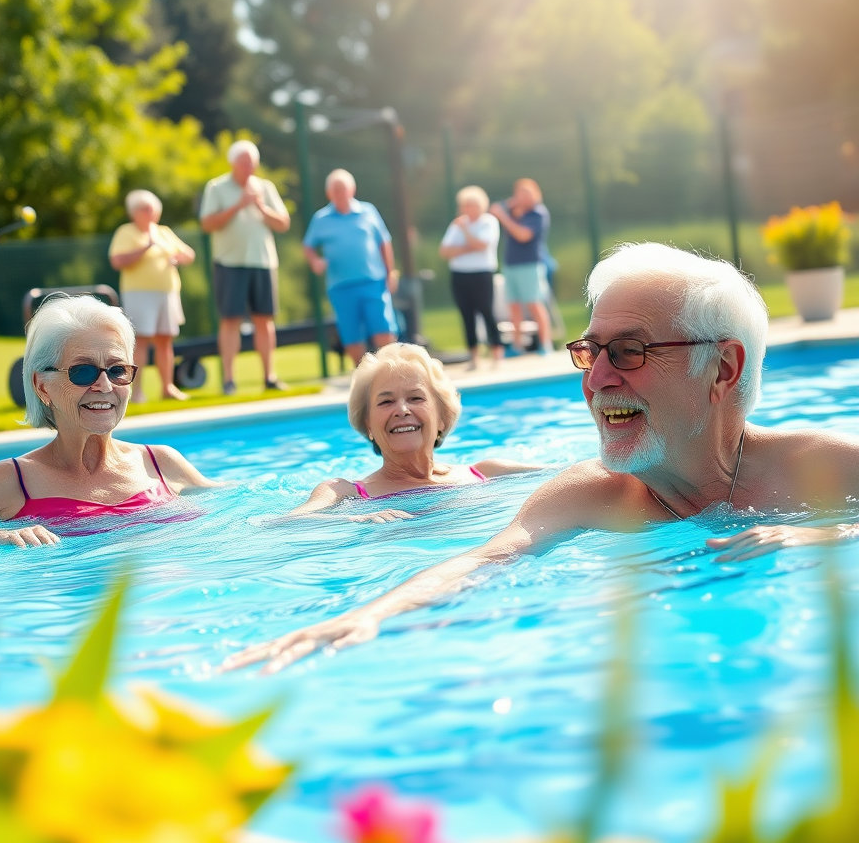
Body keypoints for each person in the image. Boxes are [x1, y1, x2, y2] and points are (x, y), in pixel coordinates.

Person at [225, 242, 859, 673]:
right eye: (591, 351)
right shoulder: (589, 495)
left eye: (631, 351)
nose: (598, 378)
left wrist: (828, 535)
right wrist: (371, 614)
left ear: (722, 367)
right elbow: (483, 560)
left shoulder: (820, 468)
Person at [0, 295, 219, 548]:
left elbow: (240, 504)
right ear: (42, 386)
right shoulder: (11, 480)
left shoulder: (160, 463)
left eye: (117, 370)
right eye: (82, 371)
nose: (105, 386)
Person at [283, 343, 537, 521]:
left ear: (441, 417)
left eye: (416, 398)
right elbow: (280, 524)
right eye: (385, 401)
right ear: (368, 423)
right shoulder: (345, 493)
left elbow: (570, 474)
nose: (402, 410)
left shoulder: (488, 473)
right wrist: (354, 519)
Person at [198, 140, 291, 395]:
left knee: (265, 320)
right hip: (229, 263)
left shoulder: (266, 187)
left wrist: (260, 206)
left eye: (252, 162)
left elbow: (283, 223)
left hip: (263, 261)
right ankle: (229, 380)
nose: (249, 167)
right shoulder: (216, 187)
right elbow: (207, 224)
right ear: (233, 163)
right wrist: (238, 205)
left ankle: (269, 377)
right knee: (230, 321)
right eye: (244, 162)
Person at [303, 169, 399, 366]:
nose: (340, 193)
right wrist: (315, 261)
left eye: (343, 188)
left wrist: (390, 273)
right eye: (335, 189)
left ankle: (391, 371)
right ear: (329, 193)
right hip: (341, 287)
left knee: (383, 330)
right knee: (351, 335)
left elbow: (384, 243)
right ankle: (363, 378)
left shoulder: (368, 211)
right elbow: (308, 246)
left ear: (352, 189)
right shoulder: (321, 219)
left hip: (373, 282)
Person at [108, 189, 196, 403]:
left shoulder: (163, 231)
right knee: (141, 341)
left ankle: (168, 387)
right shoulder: (126, 232)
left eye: (153, 208)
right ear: (135, 212)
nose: (152, 212)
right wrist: (145, 248)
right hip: (139, 293)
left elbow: (189, 255)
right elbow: (117, 261)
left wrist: (177, 257)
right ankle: (136, 392)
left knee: (165, 340)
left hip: (166, 293)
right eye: (146, 209)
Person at [439, 185, 504, 371]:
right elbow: (445, 251)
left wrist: (465, 237)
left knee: (486, 311)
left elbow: (482, 245)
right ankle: (474, 356)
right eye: (465, 205)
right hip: (460, 275)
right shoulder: (456, 224)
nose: (468, 209)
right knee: (466, 314)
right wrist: (469, 247)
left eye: (472, 204)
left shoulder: (488, 222)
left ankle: (497, 353)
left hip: (482, 274)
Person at [491, 178, 554, 355]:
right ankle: (516, 346)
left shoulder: (538, 214)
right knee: (514, 306)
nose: (522, 197)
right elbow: (495, 207)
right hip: (510, 265)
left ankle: (545, 344)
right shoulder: (514, 211)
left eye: (526, 193)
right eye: (519, 193)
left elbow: (523, 235)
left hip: (530, 265)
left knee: (534, 304)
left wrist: (503, 216)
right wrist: (508, 206)